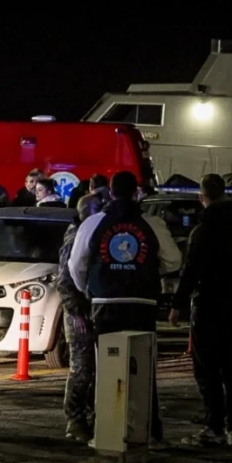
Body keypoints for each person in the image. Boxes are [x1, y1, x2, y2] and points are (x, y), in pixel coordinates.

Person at [69, 171, 183, 445]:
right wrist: (148, 270)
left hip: (105, 304)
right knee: (142, 367)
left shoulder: (93, 223)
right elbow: (174, 260)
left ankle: (107, 431)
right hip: (142, 303)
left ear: (110, 192)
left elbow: (76, 265)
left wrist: (90, 288)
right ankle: (149, 430)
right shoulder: (151, 223)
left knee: (107, 367)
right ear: (136, 193)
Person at [168, 174, 232, 446]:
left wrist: (177, 304)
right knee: (231, 364)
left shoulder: (202, 231)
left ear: (202, 197)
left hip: (207, 301)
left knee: (206, 367)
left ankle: (214, 424)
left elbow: (191, 270)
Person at [57, 193, 106, 443]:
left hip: (88, 310)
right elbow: (65, 281)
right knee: (82, 369)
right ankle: (75, 420)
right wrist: (76, 312)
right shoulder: (76, 237)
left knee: (93, 369)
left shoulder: (85, 234)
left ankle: (88, 418)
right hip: (79, 313)